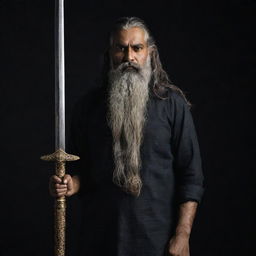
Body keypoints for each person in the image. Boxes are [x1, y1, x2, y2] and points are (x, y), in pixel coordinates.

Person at [49, 17, 204, 256]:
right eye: (121, 48)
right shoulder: (88, 107)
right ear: (110, 53)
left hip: (157, 242)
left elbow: (191, 177)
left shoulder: (172, 105)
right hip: (100, 240)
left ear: (149, 53)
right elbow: (81, 170)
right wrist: (70, 184)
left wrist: (182, 235)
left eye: (136, 48)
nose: (129, 57)